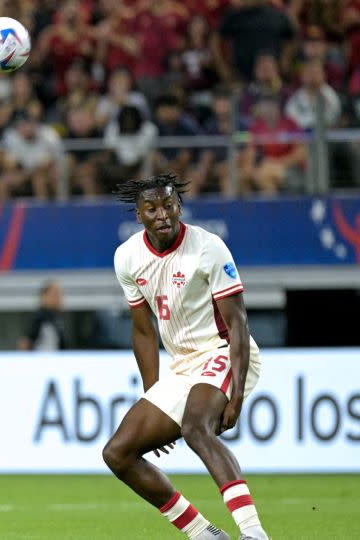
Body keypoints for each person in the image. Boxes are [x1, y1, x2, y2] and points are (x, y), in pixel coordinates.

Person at [103, 174, 269, 540]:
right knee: (118, 453)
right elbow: (144, 331)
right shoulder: (127, 257)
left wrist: (236, 396)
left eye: (168, 204)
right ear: (139, 215)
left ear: (179, 205)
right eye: (152, 208)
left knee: (196, 428)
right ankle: (204, 533)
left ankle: (254, 533)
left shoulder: (208, 248)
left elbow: (238, 322)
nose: (162, 213)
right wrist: (153, 395)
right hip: (183, 366)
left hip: (223, 350)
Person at [18, 281, 65, 351]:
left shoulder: (57, 318)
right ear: (44, 296)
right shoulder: (39, 318)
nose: (58, 299)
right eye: (54, 295)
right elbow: (25, 342)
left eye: (59, 295)